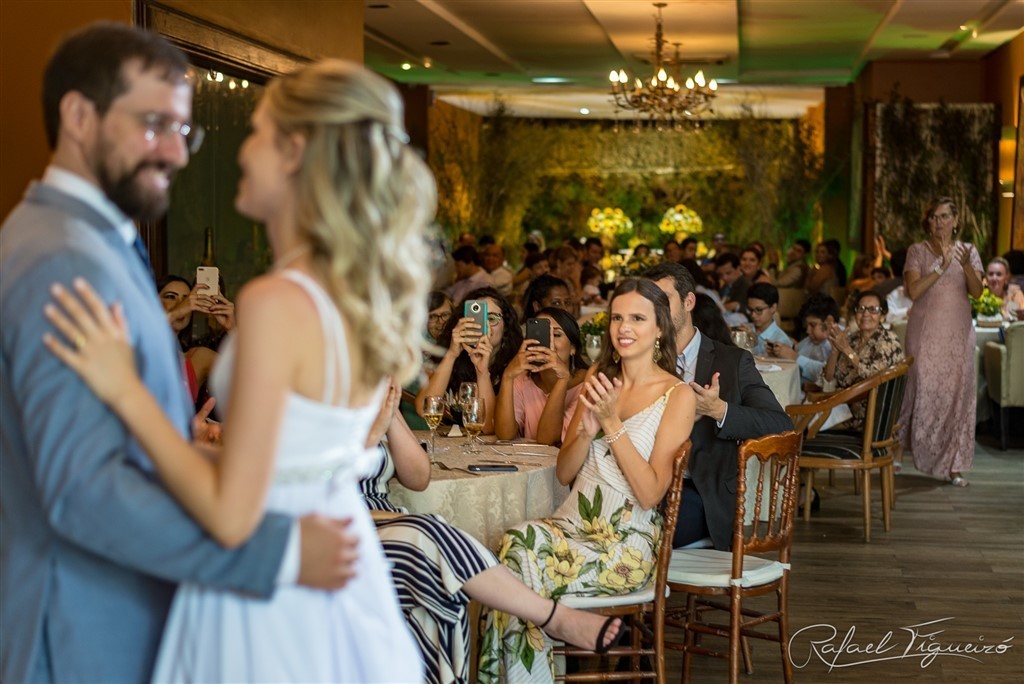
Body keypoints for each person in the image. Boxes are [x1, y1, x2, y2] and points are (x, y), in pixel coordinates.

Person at [41, 57, 432, 681]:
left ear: (295, 152)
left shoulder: (276, 302)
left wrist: (124, 390)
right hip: (337, 580)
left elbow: (231, 514)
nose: (242, 151)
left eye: (255, 132)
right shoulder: (351, 297)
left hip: (273, 591)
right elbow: (295, 466)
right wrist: (205, 451)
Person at [479, 278, 696, 683]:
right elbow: (565, 471)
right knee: (512, 547)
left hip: (626, 545)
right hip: (571, 527)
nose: (624, 327)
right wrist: (584, 430)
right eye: (617, 317)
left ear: (660, 328)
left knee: (518, 556)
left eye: (637, 318)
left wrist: (612, 424)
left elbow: (650, 493)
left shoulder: (678, 395)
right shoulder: (599, 375)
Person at [361, 386, 621, 684]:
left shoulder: (365, 396)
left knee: (440, 576)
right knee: (426, 532)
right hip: (335, 526)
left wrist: (391, 415)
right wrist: (371, 437)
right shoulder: (306, 400)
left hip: (385, 519)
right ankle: (553, 618)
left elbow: (418, 478)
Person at [643, 262, 792, 551]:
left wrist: (719, 411)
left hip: (699, 492)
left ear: (688, 301)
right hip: (641, 481)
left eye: (663, 300)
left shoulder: (732, 361)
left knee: (632, 528)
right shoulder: (640, 358)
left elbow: (780, 424)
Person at [899, 197, 983, 486]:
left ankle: (954, 465)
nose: (939, 222)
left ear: (956, 220)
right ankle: (899, 452)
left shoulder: (969, 251)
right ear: (928, 221)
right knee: (919, 387)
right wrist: (940, 267)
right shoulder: (917, 251)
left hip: (958, 334)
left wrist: (965, 267)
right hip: (924, 333)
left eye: (945, 216)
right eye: (934, 216)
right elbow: (913, 291)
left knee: (958, 394)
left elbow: (978, 293)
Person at [417, 287, 522, 433]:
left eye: (492, 319)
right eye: (477, 319)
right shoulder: (448, 357)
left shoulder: (514, 366)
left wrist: (482, 371)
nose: (483, 326)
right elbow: (424, 409)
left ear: (506, 325)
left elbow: (489, 427)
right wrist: (452, 354)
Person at [495, 307, 589, 445]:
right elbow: (504, 435)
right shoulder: (523, 380)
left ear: (573, 348)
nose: (549, 343)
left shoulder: (587, 386)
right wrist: (508, 376)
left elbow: (548, 441)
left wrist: (563, 379)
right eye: (541, 335)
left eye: (556, 335)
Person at [823, 290, 904, 429]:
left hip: (867, 417)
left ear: (882, 316)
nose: (866, 313)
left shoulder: (888, 342)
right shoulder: (852, 339)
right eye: (861, 309)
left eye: (873, 309)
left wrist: (847, 350)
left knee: (804, 426)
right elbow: (829, 377)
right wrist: (836, 350)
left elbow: (872, 377)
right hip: (841, 409)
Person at [769, 293, 840, 388]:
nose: (808, 331)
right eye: (807, 325)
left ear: (829, 321)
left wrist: (794, 357)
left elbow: (828, 376)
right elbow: (796, 351)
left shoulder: (840, 342)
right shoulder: (811, 340)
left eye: (813, 325)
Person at [743, 282, 793, 356]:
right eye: (750, 310)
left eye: (759, 310)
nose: (753, 315)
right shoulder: (746, 329)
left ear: (773, 307)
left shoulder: (781, 341)